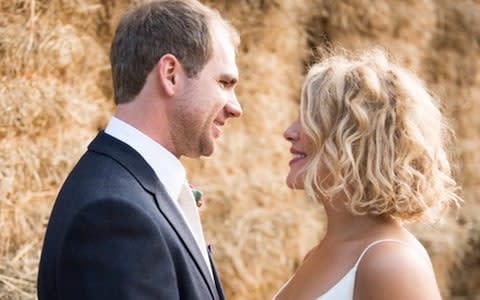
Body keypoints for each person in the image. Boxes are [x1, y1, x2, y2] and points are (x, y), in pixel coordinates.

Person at [37, 0, 241, 299]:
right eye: (224, 82)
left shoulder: (131, 190)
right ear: (171, 74)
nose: (236, 107)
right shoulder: (114, 217)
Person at [274, 49, 461, 300]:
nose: (289, 131)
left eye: (311, 118)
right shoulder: (317, 254)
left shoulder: (393, 264)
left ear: (356, 141)